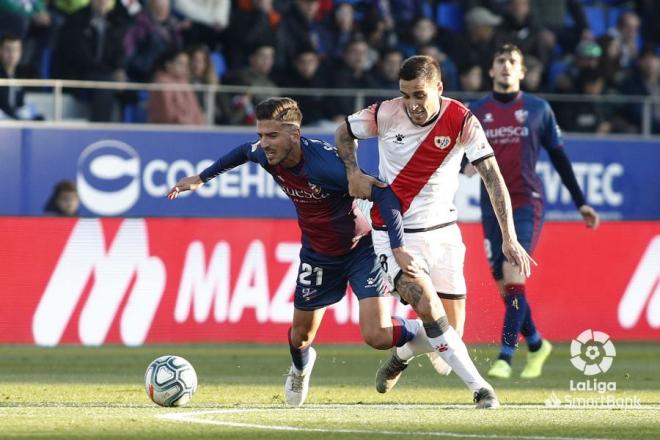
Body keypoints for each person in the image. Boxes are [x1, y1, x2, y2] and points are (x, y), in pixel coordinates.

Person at [167, 97, 432, 408]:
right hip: (318, 255)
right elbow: (241, 152)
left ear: (294, 134)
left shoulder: (327, 165)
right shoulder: (266, 155)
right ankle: (300, 368)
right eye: (261, 135)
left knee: (376, 336)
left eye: (271, 136)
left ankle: (419, 329)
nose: (263, 144)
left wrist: (397, 246)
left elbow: (384, 196)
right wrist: (201, 178)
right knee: (300, 338)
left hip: (362, 249)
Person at [335, 55, 535, 408]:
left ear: (438, 88)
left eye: (420, 95)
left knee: (447, 341)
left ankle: (402, 355)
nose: (412, 104)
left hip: (444, 234)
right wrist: (352, 171)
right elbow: (344, 132)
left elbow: (492, 176)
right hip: (395, 232)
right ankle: (481, 388)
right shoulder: (384, 113)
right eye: (406, 94)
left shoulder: (461, 119)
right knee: (427, 306)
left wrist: (510, 237)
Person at [467, 44, 599, 379]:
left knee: (514, 273)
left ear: (522, 71)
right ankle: (538, 344)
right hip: (491, 205)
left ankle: (505, 357)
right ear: (491, 70)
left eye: (513, 62)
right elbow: (459, 158)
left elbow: (559, 158)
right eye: (501, 61)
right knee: (505, 287)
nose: (507, 66)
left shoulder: (539, 109)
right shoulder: (476, 111)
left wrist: (581, 201)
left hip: (526, 202)